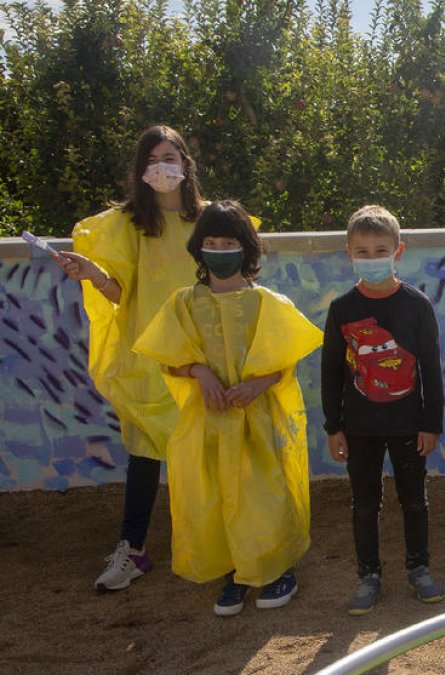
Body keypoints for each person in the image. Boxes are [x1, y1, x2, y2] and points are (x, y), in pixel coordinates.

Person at [132, 201, 322, 616]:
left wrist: (257, 382)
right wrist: (199, 370)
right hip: (209, 421)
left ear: (247, 248)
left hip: (257, 420)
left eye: (229, 242)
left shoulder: (266, 303)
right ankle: (233, 571)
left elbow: (284, 358)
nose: (220, 250)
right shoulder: (184, 303)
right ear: (199, 248)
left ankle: (274, 570)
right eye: (211, 242)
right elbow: (167, 356)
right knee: (214, 495)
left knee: (262, 494)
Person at [56, 125, 207, 591]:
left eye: (170, 157)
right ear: (141, 170)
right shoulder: (130, 225)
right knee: (144, 454)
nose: (162, 167)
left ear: (186, 163)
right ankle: (133, 549)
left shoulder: (208, 222)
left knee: (204, 450)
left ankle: (212, 544)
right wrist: (95, 274)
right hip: (147, 355)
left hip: (201, 354)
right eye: (152, 159)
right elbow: (122, 292)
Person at [321, 206, 445, 615]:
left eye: (380, 249)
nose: (371, 257)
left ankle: (419, 568)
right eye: (362, 250)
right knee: (364, 503)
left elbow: (430, 366)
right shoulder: (341, 309)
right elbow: (331, 373)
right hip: (359, 428)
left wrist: (431, 423)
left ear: (398, 251)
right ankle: (368, 575)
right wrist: (333, 426)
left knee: (414, 500)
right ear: (349, 253)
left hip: (410, 425)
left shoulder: (417, 305)